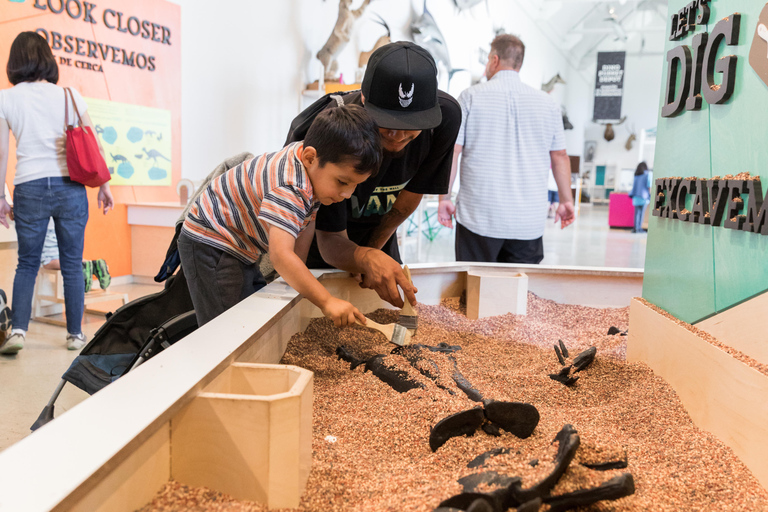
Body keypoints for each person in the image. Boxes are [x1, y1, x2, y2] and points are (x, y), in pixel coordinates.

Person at [285, 41, 461, 308]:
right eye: (387, 124)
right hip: (319, 243)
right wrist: (363, 258)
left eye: (412, 126)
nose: (399, 135)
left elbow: (408, 198)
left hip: (381, 234)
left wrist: (374, 250)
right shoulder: (326, 130)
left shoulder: (445, 118)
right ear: (365, 100)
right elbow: (326, 238)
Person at [178, 105, 382, 327]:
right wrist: (327, 301)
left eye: (355, 186)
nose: (346, 194)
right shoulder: (291, 186)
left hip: (239, 245)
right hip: (211, 241)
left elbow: (304, 223)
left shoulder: (309, 164)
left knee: (251, 307)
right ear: (310, 157)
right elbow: (281, 255)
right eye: (342, 182)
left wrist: (296, 274)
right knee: (229, 326)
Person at [0, 31, 114, 355]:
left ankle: (19, 331)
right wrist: (104, 186)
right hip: (70, 187)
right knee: (72, 263)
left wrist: (0, 197)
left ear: (15, 60)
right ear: (47, 59)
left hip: (29, 186)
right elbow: (93, 145)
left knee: (27, 263)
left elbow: (1, 153)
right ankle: (75, 335)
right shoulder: (69, 95)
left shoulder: (6, 98)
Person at [437, 34, 575, 264]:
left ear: (494, 59)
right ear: (519, 64)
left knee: (475, 291)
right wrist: (566, 200)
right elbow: (560, 155)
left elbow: (453, 150)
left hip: (478, 218)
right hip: (527, 222)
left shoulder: (470, 97)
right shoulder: (547, 104)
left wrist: (445, 197)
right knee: (518, 293)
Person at [40, 218, 112, 291]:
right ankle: (93, 264)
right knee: (70, 257)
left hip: (48, 228)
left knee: (48, 262)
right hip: (66, 226)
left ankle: (81, 267)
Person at [629, 161, 651, 233]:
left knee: (636, 214)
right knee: (641, 214)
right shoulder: (647, 175)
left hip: (635, 197)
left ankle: (635, 228)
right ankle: (639, 229)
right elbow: (649, 186)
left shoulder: (636, 175)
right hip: (643, 197)